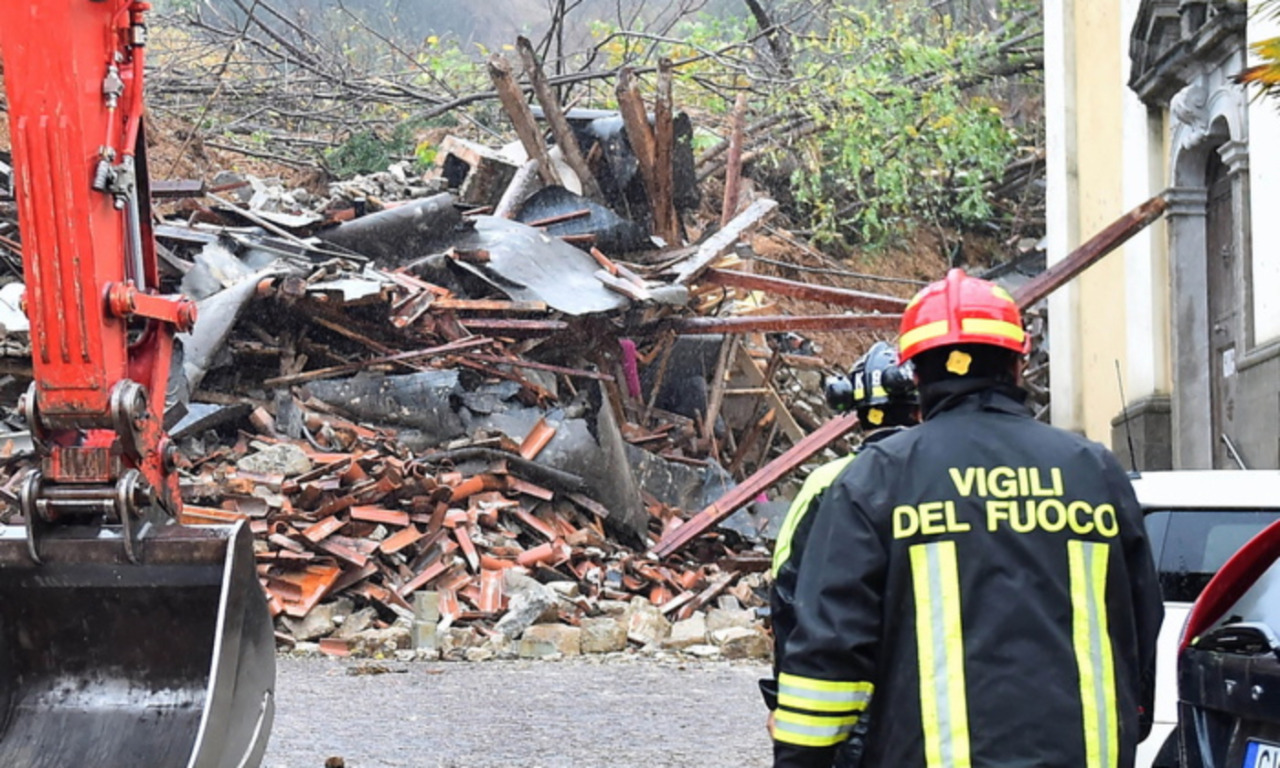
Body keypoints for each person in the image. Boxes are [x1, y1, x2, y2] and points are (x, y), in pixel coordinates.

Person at [772, 269, 1164, 768]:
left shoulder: (879, 477)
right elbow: (1139, 617)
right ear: (1019, 365)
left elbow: (829, 650)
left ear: (915, 375)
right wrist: (1131, 718)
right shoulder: (1093, 469)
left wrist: (802, 759)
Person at [761, 342, 920, 767]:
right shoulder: (945, 475)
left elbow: (788, 599)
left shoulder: (825, 483)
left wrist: (784, 702)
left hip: (844, 710)